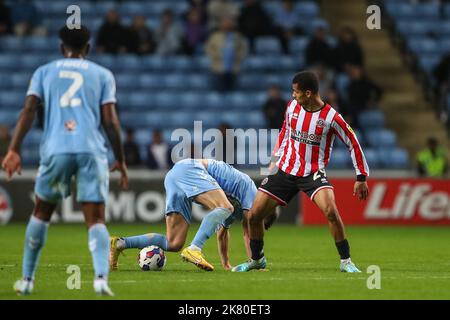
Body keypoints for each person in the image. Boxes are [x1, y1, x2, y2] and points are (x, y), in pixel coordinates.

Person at [1, 26, 129, 296]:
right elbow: (110, 121)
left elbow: (28, 110)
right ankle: (101, 280)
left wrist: (13, 149)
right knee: (96, 219)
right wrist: (120, 158)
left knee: (41, 213)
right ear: (88, 48)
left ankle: (26, 280)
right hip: (91, 150)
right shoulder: (103, 74)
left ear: (61, 48)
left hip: (57, 149)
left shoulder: (44, 72)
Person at [232, 71, 369, 273]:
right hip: (286, 169)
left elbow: (353, 143)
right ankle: (257, 259)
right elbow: (285, 133)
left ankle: (346, 261)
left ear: (308, 93)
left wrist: (361, 177)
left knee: (331, 211)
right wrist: (275, 160)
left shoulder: (332, 117)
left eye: (296, 92)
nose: (293, 95)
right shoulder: (292, 106)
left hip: (312, 173)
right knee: (254, 216)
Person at [110, 158, 277, 271]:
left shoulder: (240, 205)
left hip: (175, 176)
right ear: (263, 212)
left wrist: (226, 264)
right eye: (260, 225)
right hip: (190, 168)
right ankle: (194, 249)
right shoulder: (250, 190)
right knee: (226, 207)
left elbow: (222, 234)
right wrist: (258, 264)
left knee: (173, 243)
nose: (257, 229)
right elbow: (249, 233)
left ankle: (120, 243)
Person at [205, 16, 248, 92]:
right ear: (221, 25)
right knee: (219, 90)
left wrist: (238, 55)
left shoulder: (237, 36)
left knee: (233, 91)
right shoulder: (215, 36)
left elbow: (244, 48)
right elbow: (208, 48)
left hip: (234, 67)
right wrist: (216, 55)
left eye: (228, 24)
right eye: (225, 23)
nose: (226, 25)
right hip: (218, 68)